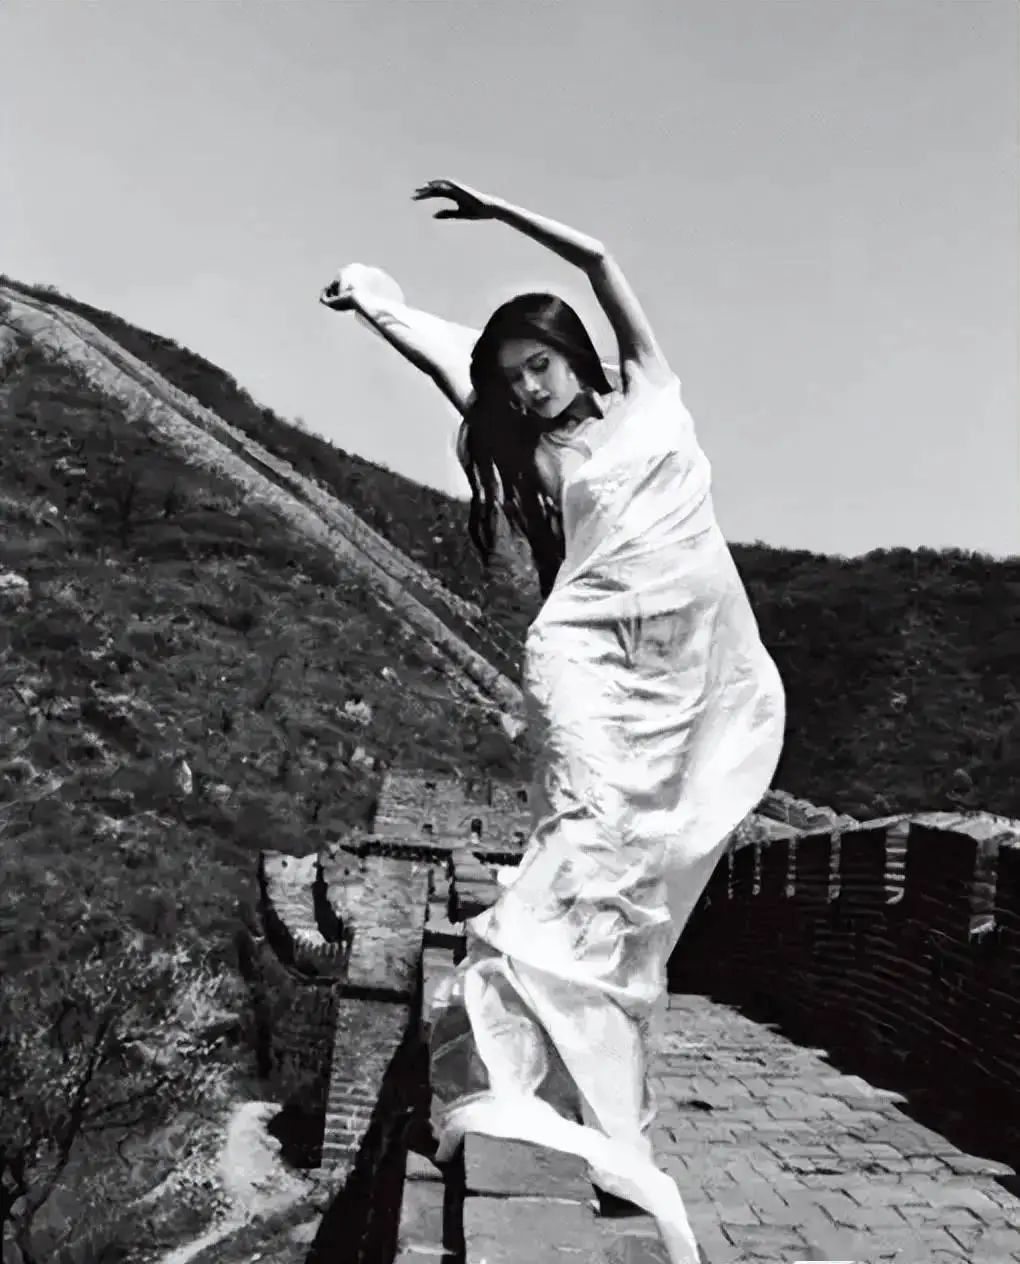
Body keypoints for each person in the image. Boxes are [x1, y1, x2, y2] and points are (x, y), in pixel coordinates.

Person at [319, 179, 786, 1264]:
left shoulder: (651, 392)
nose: (528, 388)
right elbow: (441, 356)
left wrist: (496, 209)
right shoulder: (523, 443)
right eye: (513, 377)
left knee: (630, 858)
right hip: (580, 657)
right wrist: (379, 301)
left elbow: (601, 259)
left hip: (674, 673)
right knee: (582, 829)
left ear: (574, 352)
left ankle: (575, 1057)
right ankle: (510, 1036)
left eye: (540, 365)